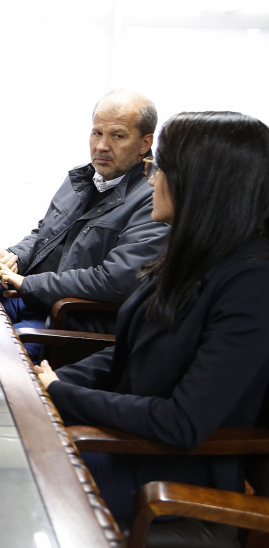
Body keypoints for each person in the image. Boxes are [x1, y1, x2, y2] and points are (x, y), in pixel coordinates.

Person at [35, 111, 269, 525]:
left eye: (159, 168)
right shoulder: (192, 255)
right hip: (126, 440)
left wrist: (62, 393)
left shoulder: (252, 283)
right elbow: (127, 353)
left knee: (16, 483)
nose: (150, 181)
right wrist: (44, 383)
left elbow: (182, 422)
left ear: (203, 184)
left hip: (167, 474)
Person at [0, 91, 169, 344]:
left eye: (117, 136)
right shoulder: (82, 177)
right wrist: (13, 258)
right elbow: (44, 233)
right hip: (29, 297)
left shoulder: (156, 197)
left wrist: (28, 284)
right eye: (97, 133)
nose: (101, 146)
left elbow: (116, 280)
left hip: (66, 319)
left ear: (144, 143)